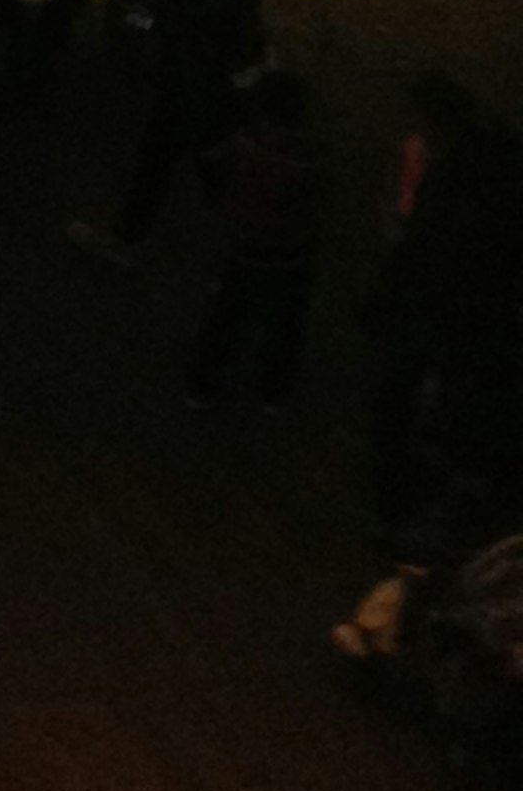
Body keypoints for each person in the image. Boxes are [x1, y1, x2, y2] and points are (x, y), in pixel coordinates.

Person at [363, 74, 523, 536]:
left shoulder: (453, 182)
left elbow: (420, 247)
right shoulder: (494, 158)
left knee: (404, 405)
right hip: (476, 314)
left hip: (439, 313)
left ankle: (406, 511)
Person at [100, 0, 269, 258]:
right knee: (207, 151)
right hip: (231, 71)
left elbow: (170, 21)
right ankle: (240, 231)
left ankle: (129, 238)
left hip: (195, 76)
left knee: (161, 154)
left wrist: (133, 18)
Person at [187, 64, 333, 413]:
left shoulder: (245, 148)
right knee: (286, 322)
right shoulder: (315, 158)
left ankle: (203, 385)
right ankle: (273, 389)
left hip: (244, 248)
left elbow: (212, 167)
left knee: (225, 316)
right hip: (292, 253)